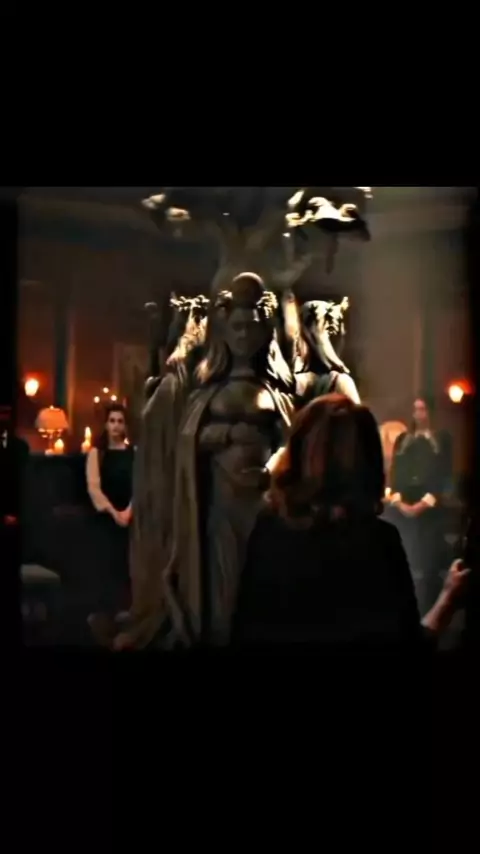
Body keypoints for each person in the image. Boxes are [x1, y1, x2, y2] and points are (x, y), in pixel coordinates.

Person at [115, 273, 297, 650]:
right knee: (221, 585)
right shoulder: (208, 389)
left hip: (261, 502)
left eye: (251, 327)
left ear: (263, 331)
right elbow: (190, 438)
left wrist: (270, 469)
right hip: (220, 503)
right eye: (237, 327)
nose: (244, 334)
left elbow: (289, 441)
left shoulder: (275, 391)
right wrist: (228, 435)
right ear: (225, 331)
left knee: (258, 583)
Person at [231, 394, 468, 648]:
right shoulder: (379, 543)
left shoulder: (269, 529)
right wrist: (448, 597)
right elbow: (409, 648)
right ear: (369, 463)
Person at [386, 397, 453, 615]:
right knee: (404, 559)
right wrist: (400, 503)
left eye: (423, 409)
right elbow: (395, 474)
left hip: (430, 510)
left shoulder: (441, 440)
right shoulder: (404, 439)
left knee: (428, 564)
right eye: (416, 409)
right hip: (403, 508)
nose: (419, 414)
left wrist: (424, 503)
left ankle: (429, 610)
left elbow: (445, 474)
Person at [85, 403, 134, 646]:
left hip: (130, 518)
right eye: (112, 421)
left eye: (120, 421)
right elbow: (94, 487)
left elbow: (140, 486)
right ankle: (103, 619)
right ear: (106, 424)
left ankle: (124, 615)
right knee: (105, 564)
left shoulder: (133, 453)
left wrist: (129, 511)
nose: (116, 426)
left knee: (126, 564)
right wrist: (114, 513)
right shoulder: (97, 453)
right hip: (105, 518)